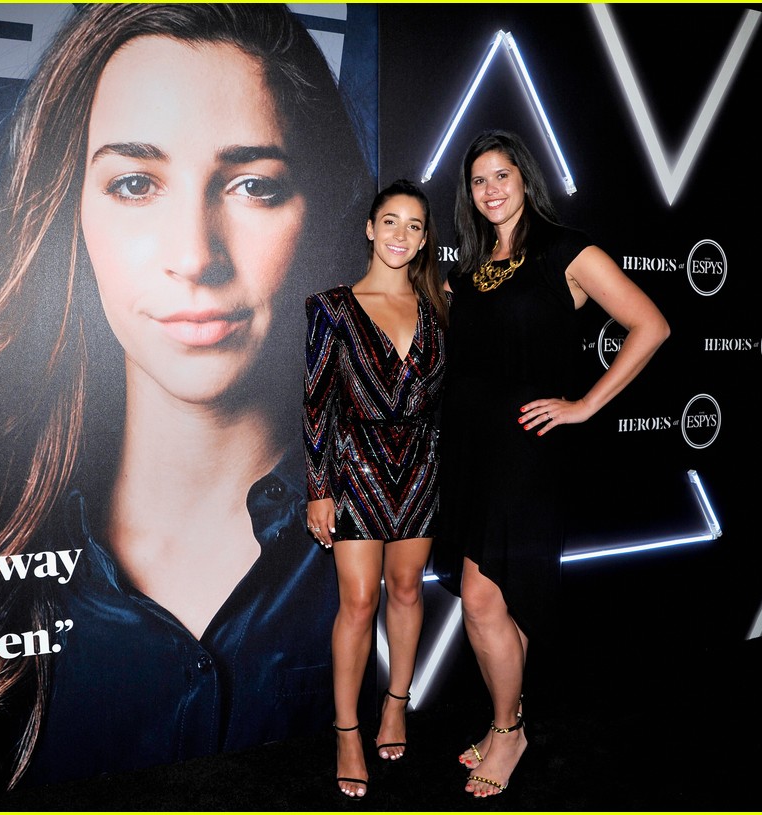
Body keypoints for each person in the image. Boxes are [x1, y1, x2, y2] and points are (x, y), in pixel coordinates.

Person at [0, 4, 372, 803]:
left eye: (254, 186)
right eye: (135, 183)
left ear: (324, 210)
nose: (196, 256)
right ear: (74, 212)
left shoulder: (411, 544)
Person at [436, 130, 669, 797]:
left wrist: (585, 404)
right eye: (478, 180)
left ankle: (509, 730)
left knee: (483, 598)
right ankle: (504, 718)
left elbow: (650, 324)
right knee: (489, 598)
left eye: (501, 174)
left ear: (524, 177)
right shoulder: (469, 269)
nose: (490, 189)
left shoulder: (568, 249)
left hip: (527, 452)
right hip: (473, 451)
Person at [304, 179, 448, 798]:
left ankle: (397, 702)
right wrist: (319, 488)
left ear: (423, 239)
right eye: (391, 222)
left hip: (422, 466)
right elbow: (316, 405)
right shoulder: (332, 306)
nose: (401, 236)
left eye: (415, 226)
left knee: (408, 589)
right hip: (355, 468)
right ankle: (346, 731)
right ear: (369, 228)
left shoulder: (441, 302)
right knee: (359, 603)